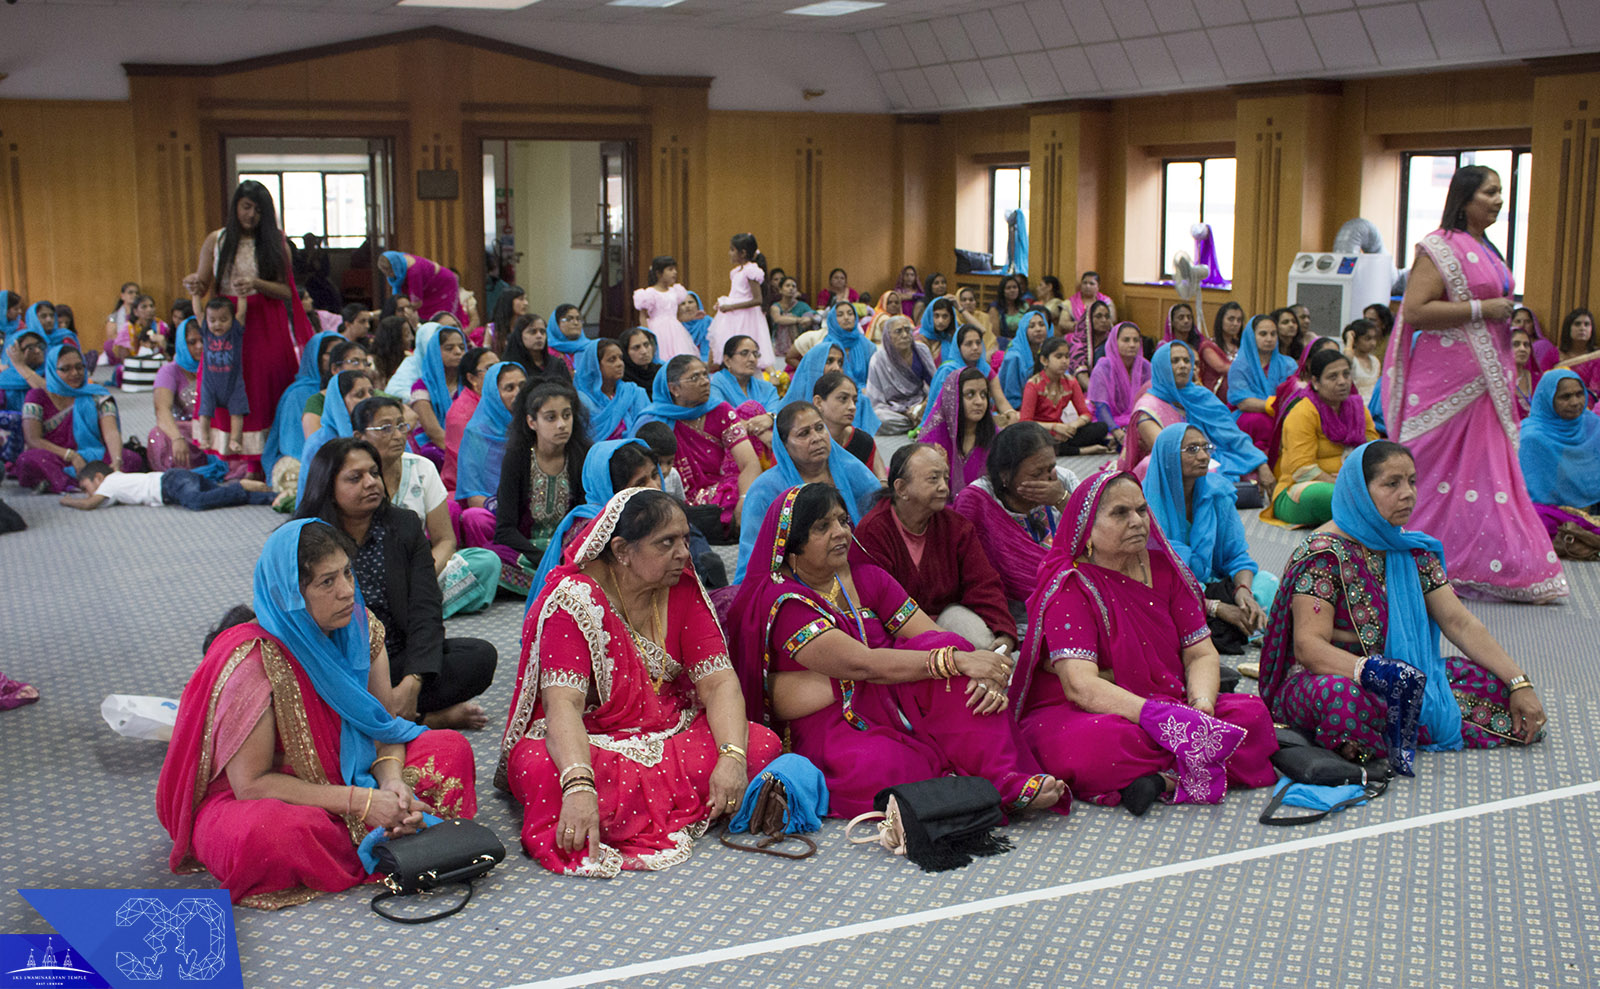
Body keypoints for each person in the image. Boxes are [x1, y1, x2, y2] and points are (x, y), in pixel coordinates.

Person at [157, 519, 479, 907]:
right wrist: (362, 803)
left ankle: (390, 823)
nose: (347, 591)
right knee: (267, 835)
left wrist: (393, 784)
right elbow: (253, 784)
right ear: (293, 595)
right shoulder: (256, 660)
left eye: (347, 573)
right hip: (285, 797)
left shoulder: (362, 630)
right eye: (326, 583)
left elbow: (383, 729)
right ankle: (392, 831)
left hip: (359, 780)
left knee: (451, 749)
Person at [726, 484, 1067, 818]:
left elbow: (932, 635)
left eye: (843, 521)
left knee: (946, 651)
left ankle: (1006, 780)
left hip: (893, 693)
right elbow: (861, 664)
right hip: (835, 722)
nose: (840, 532)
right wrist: (960, 661)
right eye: (822, 526)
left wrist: (979, 672)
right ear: (792, 545)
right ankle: (971, 787)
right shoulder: (785, 601)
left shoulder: (866, 578)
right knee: (888, 766)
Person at [498, 487, 781, 874]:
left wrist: (732, 758)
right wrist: (579, 785)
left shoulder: (680, 587)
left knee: (760, 743)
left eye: (684, 538)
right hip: (595, 742)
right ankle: (614, 805)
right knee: (536, 767)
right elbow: (563, 705)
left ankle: (623, 813)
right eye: (666, 543)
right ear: (621, 550)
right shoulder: (574, 601)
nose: (683, 553)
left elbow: (718, 682)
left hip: (670, 733)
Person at [1257, 441, 1547, 774]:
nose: (1407, 493)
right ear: (1359, 492)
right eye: (1391, 483)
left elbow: (1459, 622)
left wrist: (1518, 682)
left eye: (1411, 481)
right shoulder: (1324, 555)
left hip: (1402, 674)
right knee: (1344, 699)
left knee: (1492, 688)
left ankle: (1379, 730)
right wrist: (1377, 674)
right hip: (1327, 678)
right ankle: (1369, 730)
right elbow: (1309, 648)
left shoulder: (1410, 551)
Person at [1011, 470, 1279, 814]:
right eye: (1120, 513)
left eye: (1141, 510)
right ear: (1087, 529)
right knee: (1098, 744)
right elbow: (1080, 687)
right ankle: (1178, 769)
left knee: (1253, 715)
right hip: (1096, 711)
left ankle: (1159, 777)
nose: (1138, 521)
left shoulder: (1167, 570)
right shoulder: (1072, 586)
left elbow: (1199, 654)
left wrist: (1201, 706)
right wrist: (1159, 718)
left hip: (1171, 699)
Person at [1384, 165, 1566, 602]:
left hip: (1485, 382)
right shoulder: (1438, 247)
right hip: (1443, 385)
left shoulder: (1487, 248)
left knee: (1485, 475)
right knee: (1426, 470)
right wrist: (1482, 309)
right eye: (1490, 192)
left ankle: (1477, 565)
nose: (1499, 200)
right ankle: (1396, 555)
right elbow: (1415, 310)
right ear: (1464, 198)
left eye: (1501, 192)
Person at [298, 439, 497, 730]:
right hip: (337, 661)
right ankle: (425, 719)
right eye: (356, 477)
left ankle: (386, 713)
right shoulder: (307, 539)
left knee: (479, 657)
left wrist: (412, 682)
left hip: (395, 659)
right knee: (309, 686)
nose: (371, 483)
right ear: (328, 487)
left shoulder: (404, 526)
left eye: (374, 473)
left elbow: (425, 607)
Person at [183, 180, 315, 475]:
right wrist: (193, 283)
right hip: (226, 324)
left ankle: (262, 462)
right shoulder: (216, 240)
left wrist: (256, 283)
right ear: (236, 207)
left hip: (265, 321)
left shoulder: (275, 241)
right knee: (223, 382)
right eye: (246, 207)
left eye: (258, 209)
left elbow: (286, 291)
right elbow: (204, 284)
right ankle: (232, 456)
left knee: (263, 386)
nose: (251, 215)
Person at [851, 444, 1016, 651]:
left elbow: (983, 583)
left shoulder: (956, 526)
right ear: (901, 488)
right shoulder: (873, 532)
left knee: (984, 647)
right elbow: (870, 605)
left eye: (945, 478)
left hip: (946, 616)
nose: (944, 487)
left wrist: (1004, 632)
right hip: (894, 631)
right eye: (933, 478)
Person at [352, 395, 501, 619]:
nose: (398, 435)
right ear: (359, 436)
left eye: (402, 426)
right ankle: (414, 612)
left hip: (418, 571)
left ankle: (403, 613)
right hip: (370, 573)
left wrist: (421, 575)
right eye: (385, 427)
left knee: (486, 562)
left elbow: (445, 540)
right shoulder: (352, 476)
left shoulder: (421, 468)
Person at [1142, 425, 1268, 654]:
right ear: (1169, 457)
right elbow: (1156, 576)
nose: (1203, 456)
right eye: (1191, 449)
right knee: (1157, 612)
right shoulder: (1145, 505)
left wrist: (1243, 592)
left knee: (1267, 584)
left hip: (1210, 582)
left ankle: (1238, 622)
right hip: (1169, 592)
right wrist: (1216, 608)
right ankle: (1236, 628)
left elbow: (1236, 555)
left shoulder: (1217, 494)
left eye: (1205, 447)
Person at [734, 402, 880, 582]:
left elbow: (882, 523)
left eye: (820, 428)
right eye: (804, 433)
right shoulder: (765, 490)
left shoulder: (853, 472)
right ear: (784, 445)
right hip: (795, 580)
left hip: (856, 569)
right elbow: (755, 558)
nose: (817, 437)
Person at [950, 421, 1080, 605]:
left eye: (1050, 468)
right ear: (1005, 475)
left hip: (1071, 591)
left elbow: (1096, 535)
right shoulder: (978, 500)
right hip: (1006, 604)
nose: (1046, 478)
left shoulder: (1063, 480)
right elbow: (965, 567)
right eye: (1036, 475)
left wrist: (1062, 500)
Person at [634, 356, 761, 541]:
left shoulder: (721, 410)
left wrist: (744, 499)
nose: (704, 382)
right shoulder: (653, 420)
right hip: (672, 493)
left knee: (757, 492)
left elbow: (749, 462)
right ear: (674, 388)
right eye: (695, 378)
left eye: (705, 375)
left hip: (717, 492)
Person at [1122, 340, 1270, 488]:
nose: (1183, 366)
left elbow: (1233, 436)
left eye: (1187, 360)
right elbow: (1167, 452)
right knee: (1206, 475)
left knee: (1249, 469)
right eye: (1175, 361)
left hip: (1212, 456)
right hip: (1172, 464)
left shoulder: (1201, 396)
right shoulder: (1148, 407)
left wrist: (1261, 463)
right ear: (1161, 367)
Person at [526, 438, 660, 601]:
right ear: (613, 490)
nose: (655, 487)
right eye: (641, 483)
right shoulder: (589, 531)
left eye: (655, 475)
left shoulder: (657, 517)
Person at [1263, 347, 1379, 527]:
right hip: (1300, 489)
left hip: (1353, 484)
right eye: (1333, 377)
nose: (1342, 382)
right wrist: (1342, 482)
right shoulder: (1303, 412)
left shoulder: (1358, 409)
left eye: (1346, 374)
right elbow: (1302, 469)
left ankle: (1363, 516)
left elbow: (1373, 452)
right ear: (1315, 382)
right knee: (1328, 495)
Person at [16, 345, 140, 493]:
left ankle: (64, 482)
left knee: (130, 458)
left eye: (79, 367)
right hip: (57, 455)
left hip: (93, 454)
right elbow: (33, 439)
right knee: (27, 460)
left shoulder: (97, 395)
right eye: (66, 369)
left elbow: (111, 432)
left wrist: (117, 461)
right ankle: (93, 481)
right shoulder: (37, 396)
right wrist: (71, 455)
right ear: (52, 371)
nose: (75, 373)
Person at [1517, 370, 1600, 544]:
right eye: (1566, 397)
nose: (1575, 402)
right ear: (1548, 399)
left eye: (1579, 394)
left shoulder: (1593, 425)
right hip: (1552, 514)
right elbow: (1533, 496)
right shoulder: (1532, 437)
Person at [780, 301, 881, 435]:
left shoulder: (868, 346)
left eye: (850, 313)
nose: (846, 317)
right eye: (840, 314)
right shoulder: (825, 346)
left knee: (864, 402)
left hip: (861, 390)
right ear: (833, 319)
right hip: (827, 386)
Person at [260, 331, 343, 491]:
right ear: (316, 357)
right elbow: (292, 443)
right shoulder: (297, 393)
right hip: (301, 457)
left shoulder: (352, 390)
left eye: (342, 354)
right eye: (331, 353)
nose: (337, 359)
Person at [60, 459, 273, 512]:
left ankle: (240, 486)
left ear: (98, 477)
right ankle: (273, 497)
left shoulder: (109, 482)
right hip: (175, 480)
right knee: (219, 495)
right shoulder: (115, 482)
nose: (89, 493)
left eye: (87, 487)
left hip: (170, 484)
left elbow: (90, 504)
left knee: (196, 502)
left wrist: (67, 501)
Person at [294, 371, 375, 504]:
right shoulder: (319, 443)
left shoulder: (375, 433)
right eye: (360, 394)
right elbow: (316, 495)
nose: (369, 399)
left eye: (371, 393)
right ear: (339, 402)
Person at [1020, 337, 1110, 454]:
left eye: (1067, 356)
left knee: (1101, 427)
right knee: (1032, 441)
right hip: (1040, 432)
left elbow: (1085, 413)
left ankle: (1067, 448)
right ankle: (1083, 450)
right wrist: (1054, 427)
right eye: (1058, 357)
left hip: (1062, 432)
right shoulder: (1033, 385)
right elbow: (1025, 422)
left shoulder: (1071, 382)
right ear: (1044, 360)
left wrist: (1074, 425)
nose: (1064, 361)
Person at [1228, 313, 1298, 453]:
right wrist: (1272, 406)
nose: (1269, 339)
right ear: (1251, 336)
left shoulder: (1288, 364)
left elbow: (1295, 395)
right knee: (1259, 421)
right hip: (1250, 416)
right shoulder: (1239, 366)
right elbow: (1243, 402)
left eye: (1273, 334)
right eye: (1263, 334)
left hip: (1283, 414)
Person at [147, 317, 209, 471]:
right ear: (182, 343)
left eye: (203, 340)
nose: (199, 346)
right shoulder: (170, 371)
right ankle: (177, 478)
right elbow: (162, 410)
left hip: (214, 429)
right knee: (158, 436)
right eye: (192, 342)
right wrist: (177, 438)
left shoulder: (217, 366)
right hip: (186, 433)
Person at [920, 368, 997, 492]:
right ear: (952, 399)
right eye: (970, 395)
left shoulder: (995, 438)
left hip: (981, 506)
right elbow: (923, 490)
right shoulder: (931, 442)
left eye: (983, 394)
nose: (979, 402)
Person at [706, 234, 774, 369]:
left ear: (742, 253)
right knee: (721, 352)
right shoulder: (737, 272)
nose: (729, 253)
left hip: (745, 319)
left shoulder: (751, 271)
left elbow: (757, 299)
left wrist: (731, 306)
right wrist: (724, 304)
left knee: (740, 350)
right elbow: (738, 294)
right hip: (734, 317)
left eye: (732, 250)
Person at [195, 298, 250, 458]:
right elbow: (198, 312)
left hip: (233, 383)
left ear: (232, 320)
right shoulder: (206, 331)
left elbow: (242, 313)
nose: (217, 324)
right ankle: (204, 437)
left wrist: (241, 296)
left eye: (223, 319)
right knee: (204, 412)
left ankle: (235, 439)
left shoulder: (234, 332)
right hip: (210, 383)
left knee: (237, 413)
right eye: (212, 320)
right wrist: (195, 295)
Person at [1087, 322, 1151, 453]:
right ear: (1114, 342)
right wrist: (1116, 432)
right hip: (1107, 420)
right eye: (1126, 340)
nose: (1132, 345)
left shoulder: (1145, 367)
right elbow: (1101, 406)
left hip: (1136, 419)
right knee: (1099, 430)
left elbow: (1151, 399)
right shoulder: (1103, 368)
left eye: (1136, 340)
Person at [864, 315, 934, 434]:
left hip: (921, 401)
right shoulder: (878, 359)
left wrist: (924, 404)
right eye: (898, 331)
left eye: (907, 330)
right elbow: (875, 400)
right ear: (888, 336)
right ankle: (917, 421)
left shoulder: (921, 350)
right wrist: (905, 411)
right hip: (894, 409)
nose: (905, 335)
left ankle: (920, 417)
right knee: (877, 417)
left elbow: (935, 382)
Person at [407, 322, 465, 464]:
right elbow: (433, 430)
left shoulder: (468, 384)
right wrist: (461, 456)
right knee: (434, 455)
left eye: (462, 347)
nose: (458, 352)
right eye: (449, 348)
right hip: (433, 443)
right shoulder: (422, 386)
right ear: (435, 353)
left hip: (464, 443)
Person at [810, 370, 883, 480]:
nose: (852, 407)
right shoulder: (805, 442)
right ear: (818, 402)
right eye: (843, 399)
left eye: (854, 400)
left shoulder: (862, 442)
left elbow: (868, 487)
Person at [442, 346, 496, 490]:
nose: (499, 373)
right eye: (490, 368)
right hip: (468, 488)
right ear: (472, 378)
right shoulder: (460, 415)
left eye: (500, 366)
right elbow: (469, 466)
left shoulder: (498, 402)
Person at [574, 338, 648, 442]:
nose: (620, 364)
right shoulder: (582, 400)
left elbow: (647, 431)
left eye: (620, 358)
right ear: (595, 366)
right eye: (612, 360)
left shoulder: (633, 393)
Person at [632, 255, 698, 363]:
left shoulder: (675, 291)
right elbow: (643, 316)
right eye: (670, 269)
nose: (675, 272)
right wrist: (646, 334)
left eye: (675, 269)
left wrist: (691, 316)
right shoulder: (649, 293)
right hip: (657, 329)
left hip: (676, 330)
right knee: (661, 356)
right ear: (659, 273)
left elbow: (678, 316)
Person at [377, 250, 467, 328]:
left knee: (440, 319)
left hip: (443, 287)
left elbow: (417, 303)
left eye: (389, 272)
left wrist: (396, 309)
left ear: (395, 267)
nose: (388, 276)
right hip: (428, 288)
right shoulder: (399, 260)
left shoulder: (414, 272)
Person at [1163, 302, 1229, 393]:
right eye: (1181, 318)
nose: (1186, 321)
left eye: (1189, 317)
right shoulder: (1164, 347)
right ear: (1172, 322)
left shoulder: (1201, 344)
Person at [710, 335, 780, 413]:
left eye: (755, 354)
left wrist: (770, 418)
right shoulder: (715, 386)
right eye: (744, 353)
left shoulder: (767, 389)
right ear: (727, 361)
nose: (752, 359)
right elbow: (722, 414)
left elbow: (774, 414)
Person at [503, 313, 572, 386]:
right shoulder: (511, 366)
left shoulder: (557, 365)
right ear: (520, 336)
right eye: (533, 332)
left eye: (542, 332)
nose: (539, 336)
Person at [1069, 299, 1114, 394]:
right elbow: (1081, 374)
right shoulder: (1079, 341)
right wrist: (1096, 392)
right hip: (1085, 389)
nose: (1104, 320)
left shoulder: (1113, 341)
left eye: (1107, 316)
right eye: (1098, 316)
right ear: (1089, 318)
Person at [768, 276, 817, 360]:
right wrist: (797, 320)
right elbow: (778, 319)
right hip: (778, 347)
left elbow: (817, 316)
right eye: (787, 286)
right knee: (789, 317)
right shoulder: (775, 307)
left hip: (798, 342)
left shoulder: (802, 305)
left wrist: (810, 319)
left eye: (793, 286)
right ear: (780, 290)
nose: (791, 288)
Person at [1555, 308, 1600, 396]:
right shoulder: (1554, 354)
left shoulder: (1596, 357)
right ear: (1568, 328)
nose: (1582, 328)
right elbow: (1543, 382)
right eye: (1577, 324)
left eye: (1587, 324)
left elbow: (1595, 391)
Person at [1342, 318, 1383, 401]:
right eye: (1367, 339)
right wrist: (1349, 341)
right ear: (1356, 340)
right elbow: (1347, 361)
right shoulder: (1352, 359)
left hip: (1373, 406)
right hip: (1355, 404)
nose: (1373, 343)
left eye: (1374, 338)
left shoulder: (1375, 361)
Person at [1511, 325, 1543, 419]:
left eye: (1526, 345)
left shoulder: (1539, 379)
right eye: (1516, 344)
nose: (1522, 349)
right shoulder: (1498, 382)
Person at [618, 326, 662, 392]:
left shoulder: (660, 372)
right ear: (625, 352)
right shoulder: (622, 379)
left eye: (646, 345)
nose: (644, 351)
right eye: (636, 347)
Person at [989, 275, 1028, 342]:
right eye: (1008, 288)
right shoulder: (995, 308)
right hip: (1003, 344)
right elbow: (996, 336)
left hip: (1023, 342)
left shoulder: (1024, 306)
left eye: (1015, 287)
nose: (1012, 290)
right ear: (1003, 291)